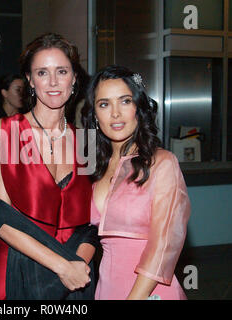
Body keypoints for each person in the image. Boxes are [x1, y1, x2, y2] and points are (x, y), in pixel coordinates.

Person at [0, 33, 99, 300]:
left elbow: (93, 220)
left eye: (62, 71)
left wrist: (77, 266)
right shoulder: (6, 132)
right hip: (18, 269)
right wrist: (61, 266)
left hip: (76, 271)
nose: (53, 82)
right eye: (42, 72)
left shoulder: (86, 141)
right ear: (29, 80)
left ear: (74, 78)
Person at [83, 65, 191, 300]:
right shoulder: (94, 168)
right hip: (106, 288)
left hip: (150, 291)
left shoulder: (162, 163)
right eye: (104, 104)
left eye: (125, 101)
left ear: (138, 108)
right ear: (94, 114)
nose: (115, 114)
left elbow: (164, 244)